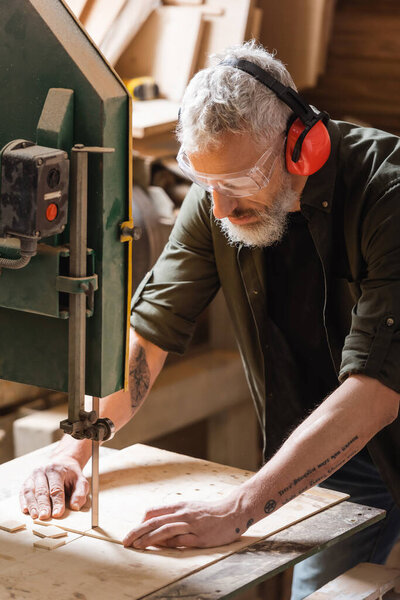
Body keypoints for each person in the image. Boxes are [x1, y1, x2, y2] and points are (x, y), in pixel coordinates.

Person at [20, 41, 400, 599]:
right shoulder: (217, 197)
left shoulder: (388, 196)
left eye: (239, 183)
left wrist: (240, 506)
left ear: (301, 148)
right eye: (206, 186)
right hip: (339, 461)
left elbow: (377, 389)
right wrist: (78, 443)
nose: (219, 209)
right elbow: (151, 332)